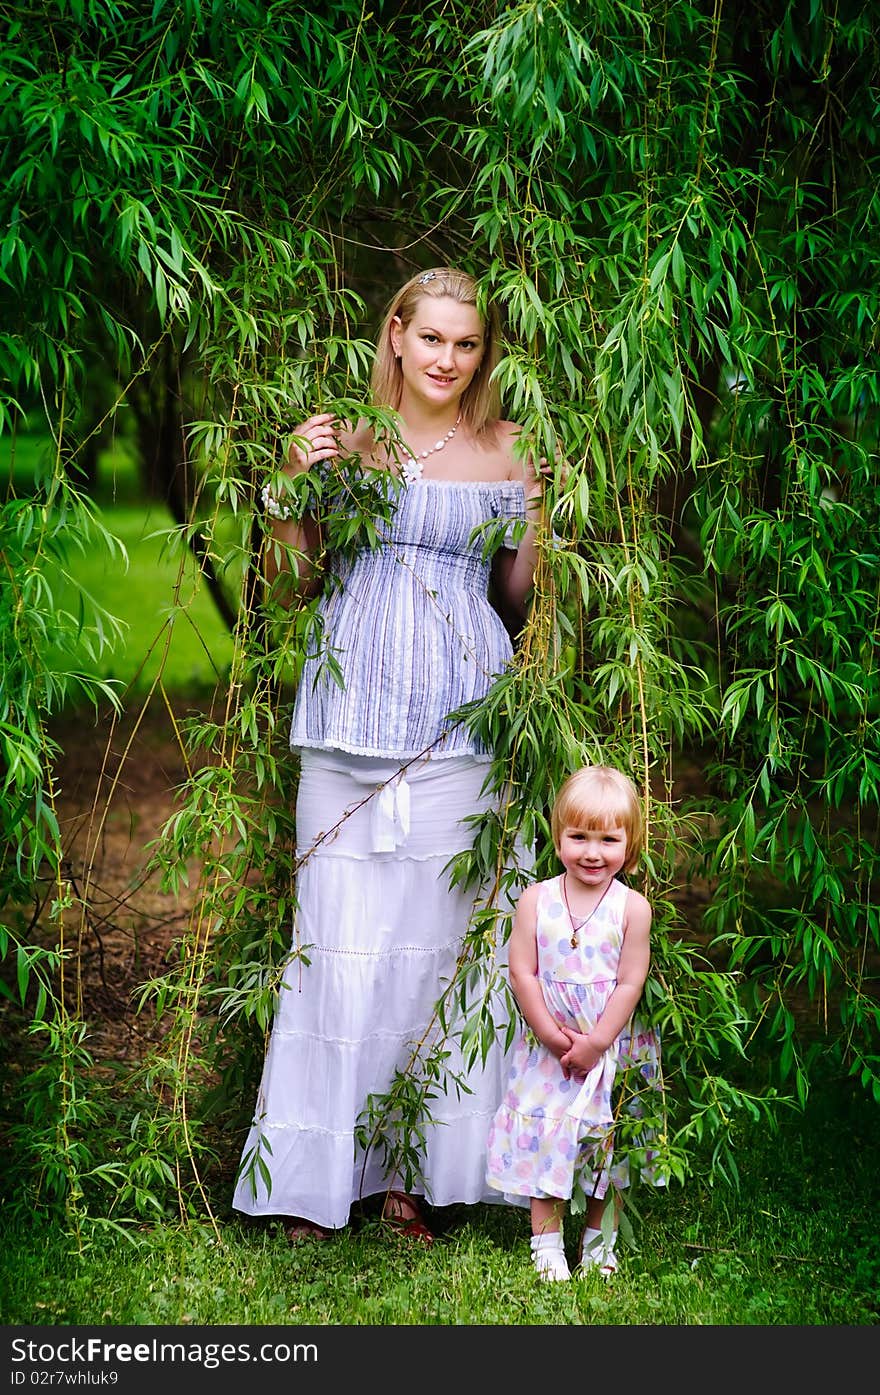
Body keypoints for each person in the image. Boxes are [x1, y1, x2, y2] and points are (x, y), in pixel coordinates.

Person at [232, 266, 544, 1243]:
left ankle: (417, 1179)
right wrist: (291, 487)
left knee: (442, 955)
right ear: (397, 336)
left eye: (468, 343)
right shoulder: (344, 437)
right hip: (348, 721)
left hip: (464, 723)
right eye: (433, 338)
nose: (449, 359)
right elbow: (290, 583)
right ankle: (318, 1183)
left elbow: (518, 601)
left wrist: (539, 514)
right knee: (336, 950)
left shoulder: (509, 448)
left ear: (481, 353)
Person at [485, 764, 664, 1281]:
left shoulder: (632, 908)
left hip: (611, 1045)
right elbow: (523, 970)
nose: (592, 851)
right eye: (579, 836)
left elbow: (630, 980)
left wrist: (597, 1042)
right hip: (551, 1049)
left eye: (608, 839)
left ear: (628, 845)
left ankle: (599, 1243)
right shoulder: (536, 900)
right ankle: (547, 1249)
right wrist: (548, 1032)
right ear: (557, 835)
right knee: (548, 1140)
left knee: (610, 1150)